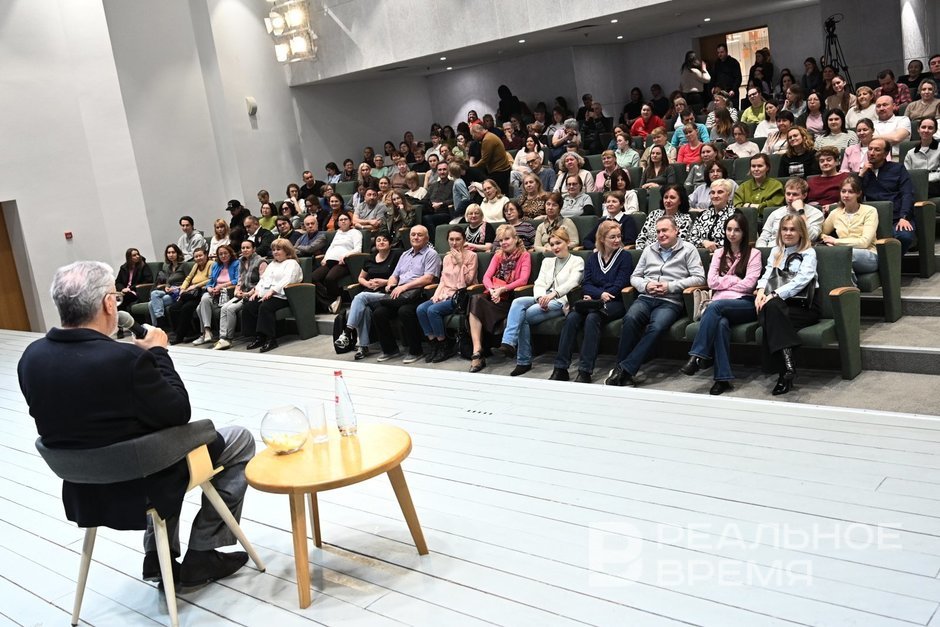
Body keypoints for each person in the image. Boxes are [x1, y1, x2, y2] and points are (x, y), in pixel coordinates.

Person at [18, 260, 254, 588]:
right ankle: (204, 550)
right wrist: (158, 353)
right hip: (142, 481)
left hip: (82, 483)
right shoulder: (125, 360)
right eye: (115, 296)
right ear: (108, 303)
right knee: (239, 439)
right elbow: (178, 412)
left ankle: (157, 556)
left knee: (152, 438)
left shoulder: (31, 358)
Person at [606, 215, 706, 387]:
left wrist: (670, 286)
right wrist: (646, 285)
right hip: (646, 297)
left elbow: (699, 278)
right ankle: (623, 369)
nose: (661, 234)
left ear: (676, 231)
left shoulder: (688, 249)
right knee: (630, 319)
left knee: (657, 327)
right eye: (658, 231)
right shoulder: (649, 249)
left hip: (670, 301)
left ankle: (623, 369)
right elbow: (634, 277)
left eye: (665, 230)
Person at [680, 212, 762, 395]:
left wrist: (725, 281)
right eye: (729, 229)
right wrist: (734, 280)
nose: (732, 233)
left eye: (737, 230)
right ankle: (722, 379)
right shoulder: (718, 253)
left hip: (744, 303)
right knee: (721, 324)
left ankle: (697, 356)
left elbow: (749, 285)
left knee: (714, 307)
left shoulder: (754, 254)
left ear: (744, 232)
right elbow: (711, 282)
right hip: (720, 305)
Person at [551, 221, 633, 383]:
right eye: (612, 237)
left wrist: (600, 295)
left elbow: (620, 284)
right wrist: (599, 294)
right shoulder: (593, 258)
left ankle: (585, 370)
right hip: (595, 301)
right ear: (602, 239)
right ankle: (560, 368)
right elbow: (586, 284)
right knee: (572, 317)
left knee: (593, 317)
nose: (617, 240)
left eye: (619, 236)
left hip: (615, 302)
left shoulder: (625, 257)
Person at [500, 230, 584, 377]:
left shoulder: (577, 261)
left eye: (558, 243)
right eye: (552, 244)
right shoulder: (547, 261)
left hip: (559, 301)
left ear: (567, 243)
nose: (555, 247)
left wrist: (553, 294)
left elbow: (573, 283)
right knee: (517, 302)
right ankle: (508, 342)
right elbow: (539, 282)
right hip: (542, 298)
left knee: (523, 316)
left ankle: (523, 361)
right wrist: (540, 298)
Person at [755, 214, 819, 395]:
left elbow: (802, 280)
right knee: (772, 310)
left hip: (803, 306)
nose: (788, 233)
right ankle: (787, 369)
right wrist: (760, 292)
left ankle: (784, 371)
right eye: (785, 229)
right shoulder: (776, 251)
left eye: (793, 229)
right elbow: (767, 274)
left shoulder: (808, 253)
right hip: (778, 306)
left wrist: (775, 294)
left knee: (772, 312)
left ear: (801, 232)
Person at [370, 226, 442, 363]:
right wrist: (391, 284)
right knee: (379, 312)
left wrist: (404, 287)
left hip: (419, 294)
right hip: (401, 294)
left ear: (427, 238)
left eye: (419, 235)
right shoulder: (405, 254)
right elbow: (394, 275)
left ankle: (416, 351)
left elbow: (428, 278)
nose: (416, 237)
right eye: (413, 235)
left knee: (405, 311)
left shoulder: (431, 254)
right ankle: (390, 350)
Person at [467, 225, 532, 372]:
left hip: (511, 298)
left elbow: (523, 280)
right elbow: (486, 277)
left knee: (477, 302)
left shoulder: (524, 255)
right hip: (495, 295)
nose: (503, 243)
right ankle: (477, 351)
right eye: (501, 240)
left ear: (515, 239)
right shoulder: (498, 255)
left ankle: (479, 354)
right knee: (475, 299)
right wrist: (492, 290)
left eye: (507, 239)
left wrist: (503, 289)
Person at [411, 227, 478, 363]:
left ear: (464, 240)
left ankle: (444, 345)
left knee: (433, 310)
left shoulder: (472, 256)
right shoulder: (447, 257)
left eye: (458, 239)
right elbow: (443, 280)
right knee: (421, 309)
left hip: (459, 296)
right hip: (444, 293)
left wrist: (461, 262)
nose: (454, 242)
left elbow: (469, 281)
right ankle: (434, 344)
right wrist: (436, 295)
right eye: (451, 239)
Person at [333, 232, 402, 360]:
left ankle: (347, 333)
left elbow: (402, 277)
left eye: (384, 240)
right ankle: (363, 347)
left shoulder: (396, 256)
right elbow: (360, 278)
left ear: (390, 243)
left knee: (360, 297)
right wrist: (367, 283)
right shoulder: (370, 258)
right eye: (378, 240)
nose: (381, 242)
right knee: (364, 309)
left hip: (386, 294)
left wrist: (385, 282)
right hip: (369, 293)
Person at [241, 238, 303, 353]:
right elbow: (263, 279)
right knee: (249, 306)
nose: (275, 252)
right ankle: (259, 337)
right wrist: (257, 291)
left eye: (278, 249)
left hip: (284, 295)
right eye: (273, 250)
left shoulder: (292, 263)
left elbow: (288, 280)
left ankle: (271, 339)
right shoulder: (272, 264)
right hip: (266, 294)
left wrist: (273, 291)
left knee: (265, 307)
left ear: (287, 251)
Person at [862, 138, 915, 254]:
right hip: (871, 219)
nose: (871, 153)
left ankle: (892, 263)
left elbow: (907, 193)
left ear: (886, 154)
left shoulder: (898, 169)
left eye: (877, 150)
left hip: (896, 217)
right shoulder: (863, 174)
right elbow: (854, 196)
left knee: (904, 236)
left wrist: (904, 217)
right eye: (870, 149)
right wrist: (861, 175)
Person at [213, 239, 267, 350]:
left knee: (230, 309)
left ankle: (229, 338)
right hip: (242, 293)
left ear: (254, 249)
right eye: (243, 248)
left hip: (254, 293)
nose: (245, 250)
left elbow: (263, 282)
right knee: (224, 308)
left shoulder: (261, 262)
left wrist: (248, 293)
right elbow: (240, 280)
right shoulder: (241, 261)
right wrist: (237, 291)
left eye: (248, 247)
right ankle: (222, 338)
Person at [821, 175, 879, 278]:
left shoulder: (870, 211)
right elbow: (821, 233)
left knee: (843, 255)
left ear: (858, 193)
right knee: (830, 255)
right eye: (843, 191)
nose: (846, 195)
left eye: (851, 192)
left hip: (868, 255)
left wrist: (836, 242)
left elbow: (864, 243)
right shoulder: (835, 213)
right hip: (842, 253)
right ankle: (848, 285)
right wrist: (826, 240)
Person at [311, 211, 362, 314]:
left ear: (350, 221)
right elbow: (331, 247)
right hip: (330, 261)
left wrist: (346, 255)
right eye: (341, 220)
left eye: (345, 219)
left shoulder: (355, 232)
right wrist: (325, 258)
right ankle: (332, 301)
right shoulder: (338, 233)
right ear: (338, 223)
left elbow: (358, 249)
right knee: (312, 278)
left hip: (344, 262)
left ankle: (334, 300)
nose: (343, 221)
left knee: (329, 278)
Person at [757, 176, 824, 247]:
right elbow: (763, 238)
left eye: (795, 194)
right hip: (773, 249)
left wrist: (801, 211)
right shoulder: (775, 213)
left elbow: (811, 237)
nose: (790, 198)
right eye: (788, 194)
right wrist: (763, 251)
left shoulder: (815, 213)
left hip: (798, 251)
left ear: (804, 195)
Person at [192, 244, 238, 346]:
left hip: (228, 292)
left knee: (199, 308)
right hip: (215, 293)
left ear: (230, 253)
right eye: (220, 254)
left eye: (225, 253)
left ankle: (204, 334)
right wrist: (209, 288)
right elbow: (211, 281)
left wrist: (221, 286)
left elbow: (236, 280)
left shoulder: (236, 264)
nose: (223, 256)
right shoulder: (216, 265)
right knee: (204, 297)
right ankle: (207, 331)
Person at [167, 248, 213, 345]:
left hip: (201, 292)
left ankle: (180, 336)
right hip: (191, 293)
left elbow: (211, 279)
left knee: (186, 308)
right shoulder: (195, 266)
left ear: (206, 255)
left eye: (200, 255)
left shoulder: (211, 264)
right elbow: (188, 278)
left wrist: (196, 285)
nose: (198, 258)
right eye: (196, 256)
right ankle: (186, 332)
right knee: (173, 308)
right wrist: (182, 289)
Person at [635, 184, 693, 248]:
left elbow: (678, 244)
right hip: (647, 251)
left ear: (680, 201)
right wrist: (644, 252)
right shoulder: (653, 214)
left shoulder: (685, 219)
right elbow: (640, 239)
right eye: (665, 197)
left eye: (672, 197)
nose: (668, 201)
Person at [687, 179, 736, 252]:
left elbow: (735, 240)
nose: (715, 196)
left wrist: (714, 246)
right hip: (700, 255)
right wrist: (703, 242)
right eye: (712, 192)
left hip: (726, 254)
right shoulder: (703, 215)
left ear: (728, 195)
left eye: (720, 192)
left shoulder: (735, 215)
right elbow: (691, 239)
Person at [148, 244, 186, 329]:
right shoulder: (169, 267)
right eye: (169, 253)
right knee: (154, 293)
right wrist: (166, 287)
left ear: (178, 253)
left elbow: (189, 280)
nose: (171, 255)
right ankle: (159, 324)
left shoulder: (184, 265)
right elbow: (168, 282)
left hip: (179, 292)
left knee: (151, 304)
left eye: (173, 252)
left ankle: (158, 327)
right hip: (169, 291)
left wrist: (178, 287)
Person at [470, 123, 513, 196]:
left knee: (491, 192)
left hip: (499, 172)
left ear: (477, 132)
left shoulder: (487, 139)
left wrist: (473, 167)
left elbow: (484, 160)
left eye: (472, 135)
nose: (473, 137)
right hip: (502, 169)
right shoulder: (489, 135)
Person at [904, 117, 940, 196]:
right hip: (916, 185)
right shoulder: (910, 153)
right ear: (918, 129)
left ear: (935, 130)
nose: (926, 130)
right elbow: (907, 174)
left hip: (936, 184)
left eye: (930, 128)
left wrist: (924, 179)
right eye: (923, 127)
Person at [115, 247, 153, 319]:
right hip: (124, 291)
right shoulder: (124, 268)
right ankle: (121, 322)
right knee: (115, 299)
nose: (137, 256)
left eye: (138, 254)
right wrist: (122, 289)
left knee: (122, 299)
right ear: (129, 257)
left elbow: (148, 280)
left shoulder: (143, 266)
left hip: (137, 291)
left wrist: (131, 288)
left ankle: (126, 321)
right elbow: (118, 282)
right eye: (134, 255)